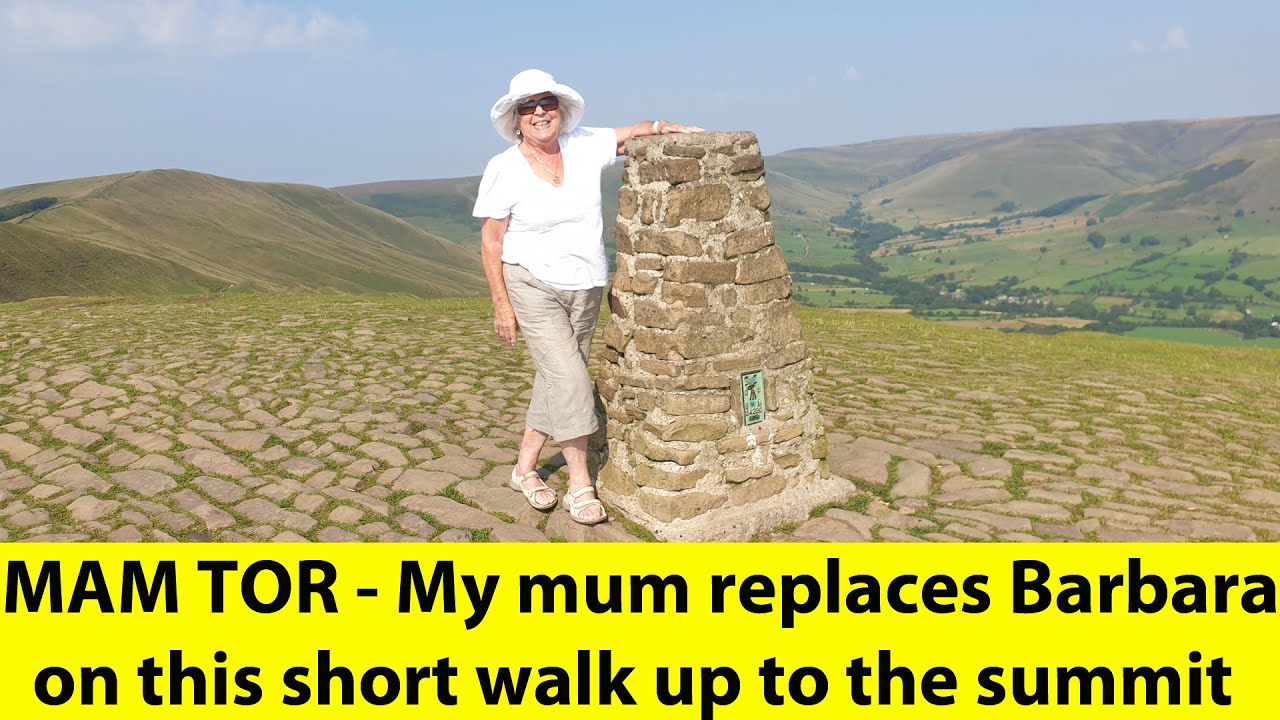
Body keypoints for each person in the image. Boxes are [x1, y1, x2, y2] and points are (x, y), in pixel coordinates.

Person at [473, 69, 703, 525]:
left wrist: (661, 128)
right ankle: (581, 484)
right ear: (516, 119)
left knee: (559, 377)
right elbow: (491, 241)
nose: (539, 112)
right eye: (528, 106)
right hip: (531, 283)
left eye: (546, 103)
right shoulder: (504, 167)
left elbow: (628, 137)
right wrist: (501, 304)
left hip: (585, 285)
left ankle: (523, 469)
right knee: (573, 380)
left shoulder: (581, 145)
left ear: (560, 109)